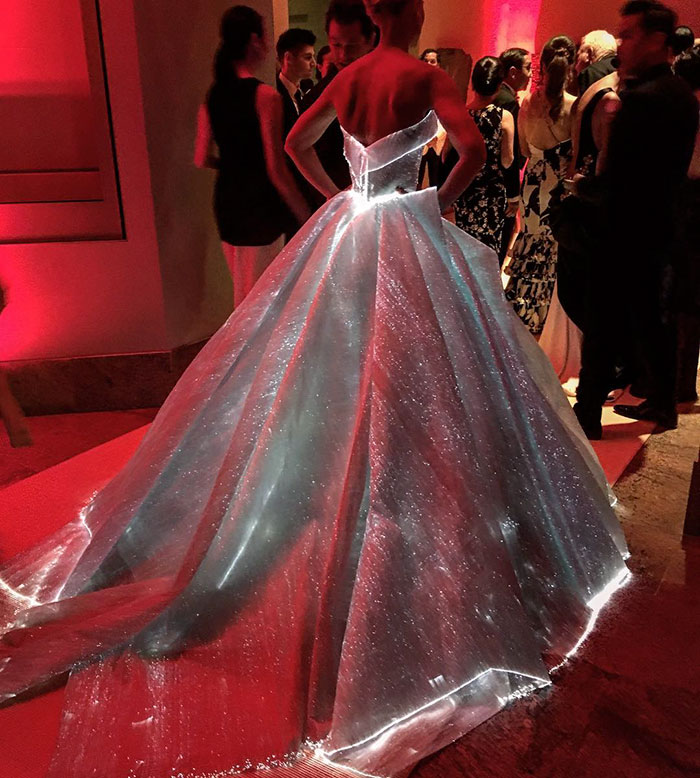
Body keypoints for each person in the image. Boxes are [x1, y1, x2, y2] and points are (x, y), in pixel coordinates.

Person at [0, 2, 629, 777]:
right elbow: (469, 150)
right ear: (411, 11)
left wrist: (341, 193)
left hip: (351, 223)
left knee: (322, 359)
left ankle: (320, 479)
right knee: (421, 371)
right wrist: (435, 201)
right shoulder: (424, 75)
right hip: (404, 225)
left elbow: (298, 144)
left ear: (371, 16)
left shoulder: (350, 75)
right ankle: (388, 494)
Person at [573, 0, 698, 438]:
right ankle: (663, 402)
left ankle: (588, 410)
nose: (620, 44)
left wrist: (585, 190)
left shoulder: (642, 99)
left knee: (604, 320)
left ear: (657, 40)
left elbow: (617, 174)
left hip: (623, 228)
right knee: (649, 317)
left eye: (628, 35)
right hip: (659, 224)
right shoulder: (680, 93)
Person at [194, 7, 311, 307]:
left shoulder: (214, 94)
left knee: (244, 296)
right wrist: (305, 214)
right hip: (261, 207)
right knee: (262, 302)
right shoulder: (265, 96)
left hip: (227, 203)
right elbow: (276, 169)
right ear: (254, 40)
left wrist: (233, 165)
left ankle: (238, 338)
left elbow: (201, 157)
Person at [505, 35, 576, 336]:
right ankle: (543, 315)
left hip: (533, 184)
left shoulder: (526, 104)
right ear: (571, 66)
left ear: (542, 66)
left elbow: (523, 149)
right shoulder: (575, 106)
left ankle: (519, 308)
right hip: (558, 188)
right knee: (552, 249)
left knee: (530, 240)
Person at [300, 0, 376, 198]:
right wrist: (334, 196)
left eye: (352, 46)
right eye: (336, 45)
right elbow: (296, 146)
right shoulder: (317, 96)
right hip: (344, 203)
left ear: (370, 40)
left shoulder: (385, 83)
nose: (343, 55)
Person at [451, 56, 515, 253]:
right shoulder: (503, 118)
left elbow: (446, 156)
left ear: (473, 83)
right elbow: (508, 160)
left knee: (464, 248)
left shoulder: (459, 115)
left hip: (464, 190)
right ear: (498, 86)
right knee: (487, 250)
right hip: (491, 195)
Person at [670, 45, 700, 404]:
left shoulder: (690, 112)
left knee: (685, 297)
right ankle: (682, 381)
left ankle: (678, 383)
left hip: (690, 202)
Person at [493, 47, 532, 263]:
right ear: (513, 72)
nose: (531, 74)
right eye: (528, 68)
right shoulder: (508, 102)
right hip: (499, 183)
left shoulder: (494, 95)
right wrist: (513, 194)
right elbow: (511, 153)